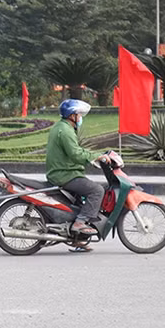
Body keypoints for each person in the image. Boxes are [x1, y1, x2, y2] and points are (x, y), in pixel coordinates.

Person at [46, 99, 109, 236]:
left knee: (87, 195)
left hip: (63, 172)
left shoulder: (60, 127)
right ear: (72, 116)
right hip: (65, 175)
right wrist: (96, 157)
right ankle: (80, 223)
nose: (80, 118)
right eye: (79, 115)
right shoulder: (66, 131)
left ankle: (78, 237)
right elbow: (75, 154)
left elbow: (75, 151)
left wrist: (94, 156)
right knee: (97, 191)